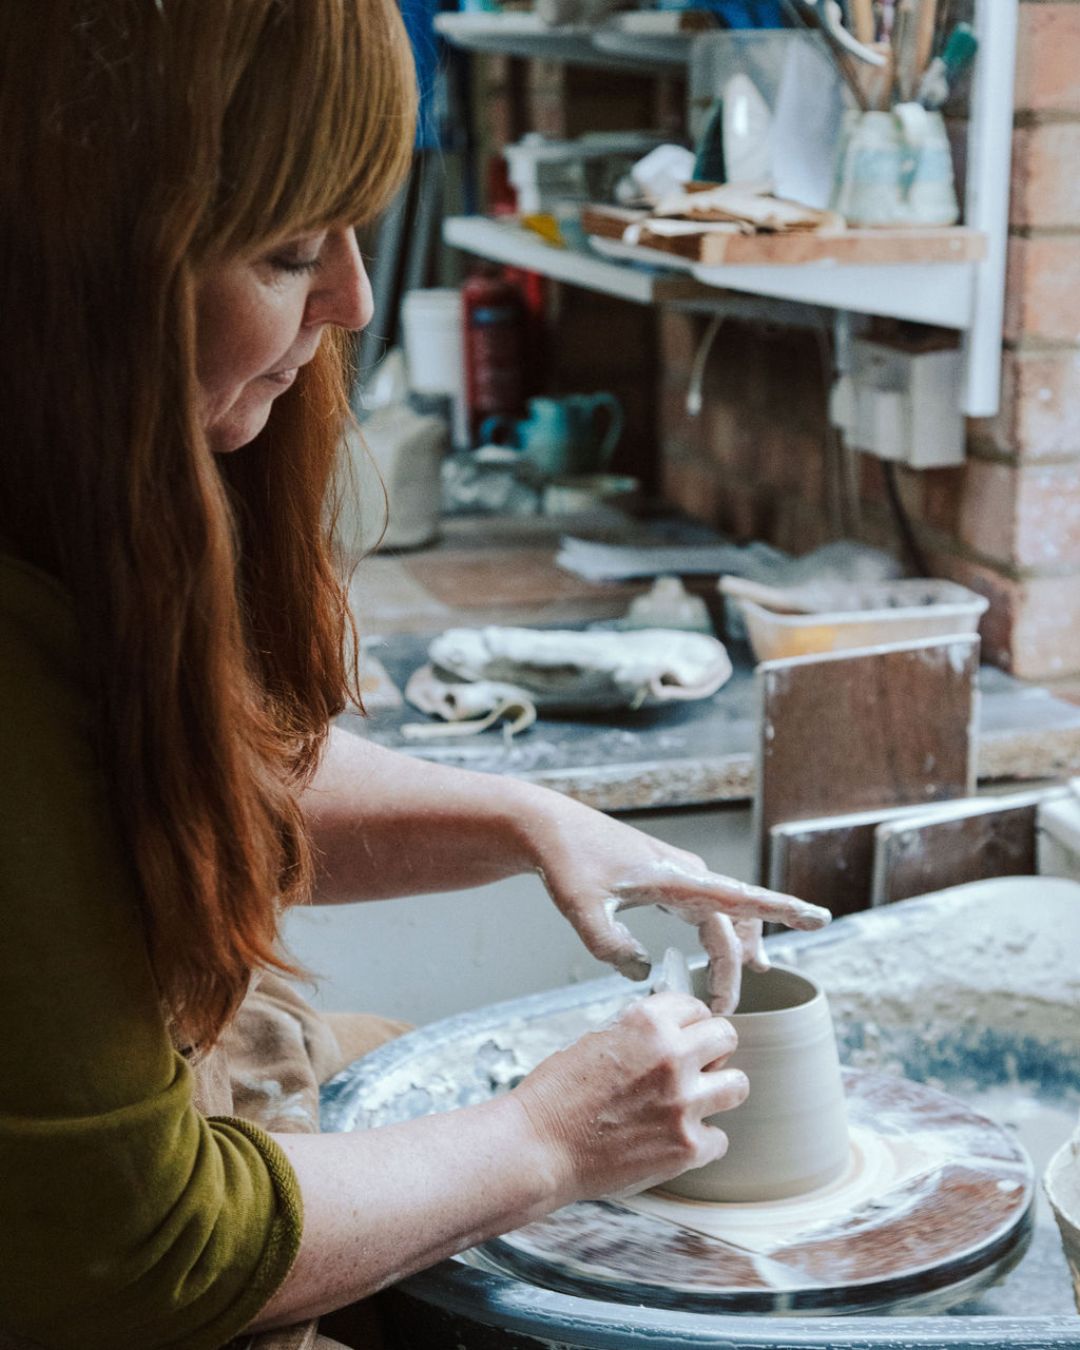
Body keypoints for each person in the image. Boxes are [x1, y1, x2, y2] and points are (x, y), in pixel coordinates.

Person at [0, 3, 829, 1347]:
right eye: (290, 250)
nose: (356, 300)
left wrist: (528, 818)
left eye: (354, 230)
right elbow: (129, 1252)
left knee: (387, 1057)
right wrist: (548, 1138)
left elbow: (194, 776)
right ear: (81, 264)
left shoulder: (74, 521)